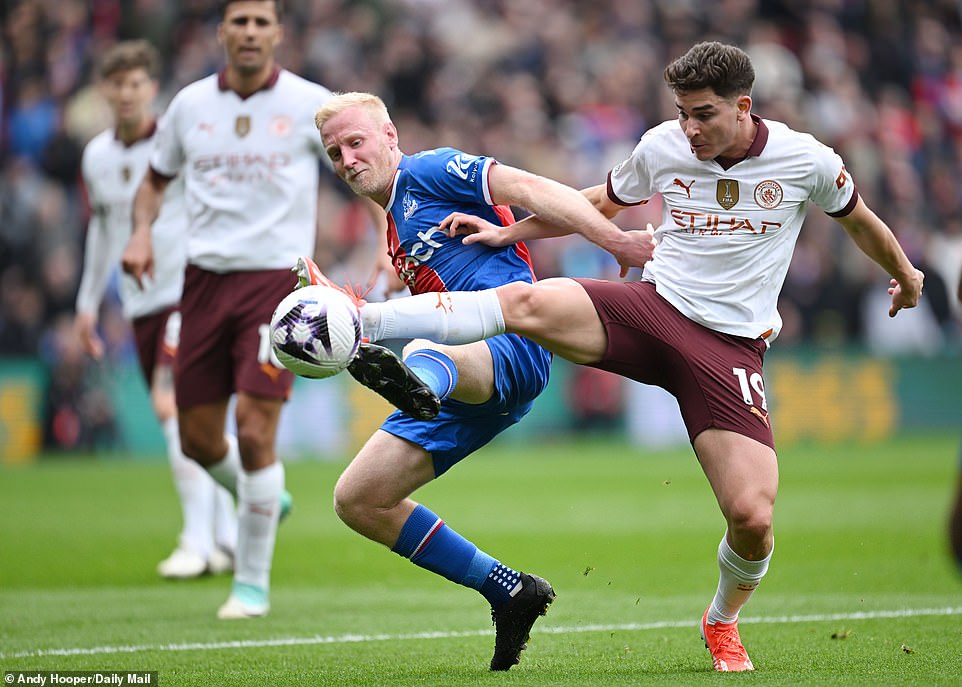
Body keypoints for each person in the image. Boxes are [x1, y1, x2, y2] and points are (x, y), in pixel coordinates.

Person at [315, 43, 925, 672]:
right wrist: (510, 231)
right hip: (652, 307)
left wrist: (905, 274)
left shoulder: (806, 160)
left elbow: (860, 222)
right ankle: (377, 333)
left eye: (704, 115)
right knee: (519, 311)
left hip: (728, 347)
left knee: (751, 516)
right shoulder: (663, 145)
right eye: (682, 113)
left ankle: (721, 620)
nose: (689, 128)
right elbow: (600, 200)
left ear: (744, 108)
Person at [297, 90, 653, 671]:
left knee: (426, 340)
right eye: (335, 154)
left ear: (390, 136)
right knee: (357, 500)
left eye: (356, 142)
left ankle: (414, 380)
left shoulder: (431, 169)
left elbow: (537, 190)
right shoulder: (395, 224)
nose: (347, 160)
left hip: (512, 343)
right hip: (466, 377)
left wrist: (616, 240)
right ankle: (508, 590)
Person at [121, 0, 332, 619]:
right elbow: (155, 180)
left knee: (255, 431)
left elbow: (358, 170)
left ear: (277, 34)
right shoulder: (189, 106)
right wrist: (140, 232)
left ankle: (250, 584)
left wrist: (382, 237)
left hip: (275, 285)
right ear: (222, 32)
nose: (248, 32)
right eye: (238, 21)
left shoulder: (308, 102)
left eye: (260, 22)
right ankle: (257, 493)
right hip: (203, 283)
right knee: (195, 438)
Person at [74, 40, 237, 580]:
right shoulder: (96, 156)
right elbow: (103, 228)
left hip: (189, 291)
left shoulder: (176, 141)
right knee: (195, 419)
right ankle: (228, 531)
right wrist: (88, 302)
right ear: (105, 90)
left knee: (173, 410)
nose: (126, 93)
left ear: (151, 87)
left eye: (136, 83)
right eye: (117, 84)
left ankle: (196, 539)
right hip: (140, 300)